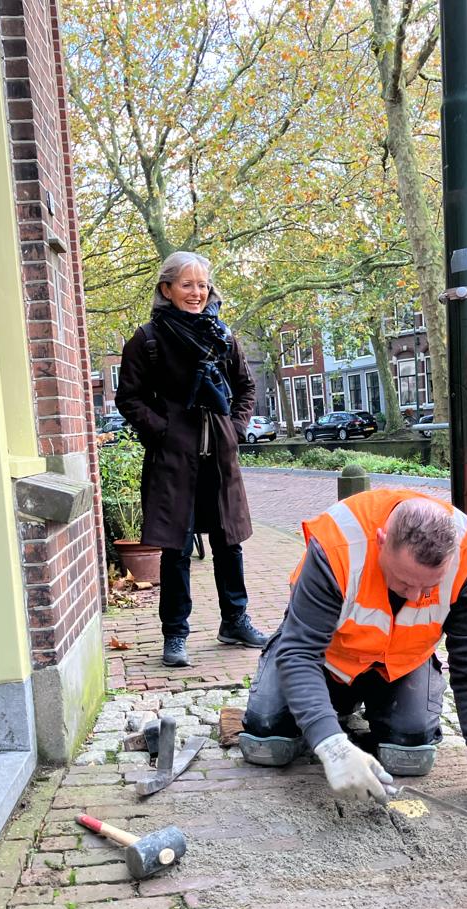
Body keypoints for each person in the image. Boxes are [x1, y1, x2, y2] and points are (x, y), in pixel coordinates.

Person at [239, 487, 467, 825]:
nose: (415, 597)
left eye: (428, 588)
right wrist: (332, 746)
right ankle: (334, 710)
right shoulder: (338, 544)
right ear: (382, 540)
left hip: (401, 664)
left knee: (409, 754)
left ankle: (350, 711)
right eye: (403, 582)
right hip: (327, 662)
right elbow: (299, 653)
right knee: (267, 743)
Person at [116, 251, 267, 667]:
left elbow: (245, 388)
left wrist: (234, 429)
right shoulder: (147, 339)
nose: (197, 293)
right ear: (167, 289)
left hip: (219, 458)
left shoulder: (223, 337)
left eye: (202, 285)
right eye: (187, 284)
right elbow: (128, 398)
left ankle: (234, 620)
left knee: (228, 542)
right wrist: (163, 431)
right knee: (176, 549)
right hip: (173, 462)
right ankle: (175, 635)